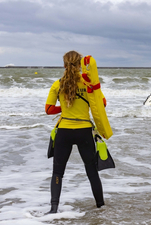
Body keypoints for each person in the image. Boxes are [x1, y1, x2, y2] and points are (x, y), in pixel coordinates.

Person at [45, 50, 105, 213]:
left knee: (58, 172)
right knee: (91, 171)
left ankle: (53, 210)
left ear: (64, 65)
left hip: (64, 131)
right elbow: (102, 104)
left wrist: (65, 107)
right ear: (80, 65)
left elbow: (49, 110)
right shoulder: (89, 83)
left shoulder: (58, 84)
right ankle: (101, 207)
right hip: (84, 131)